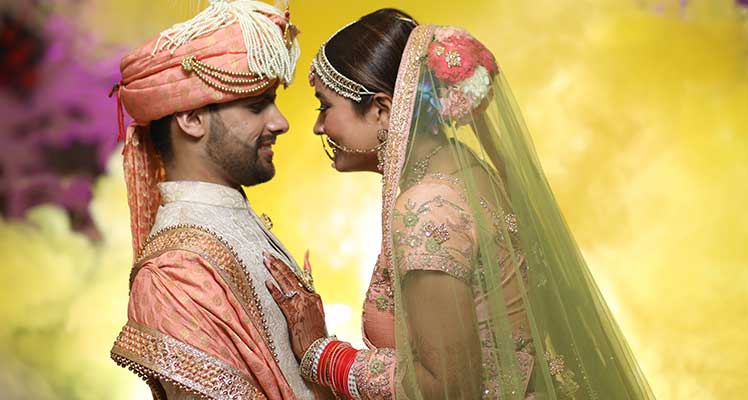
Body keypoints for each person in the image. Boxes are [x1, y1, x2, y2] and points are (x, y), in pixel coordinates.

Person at [264, 8, 655, 400]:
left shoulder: (427, 209)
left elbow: (449, 387)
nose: (318, 126)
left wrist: (322, 355)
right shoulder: (467, 168)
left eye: (324, 106)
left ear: (381, 110)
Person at [108, 1, 327, 399]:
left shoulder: (227, 218)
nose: (280, 122)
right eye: (257, 105)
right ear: (191, 119)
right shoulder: (174, 274)